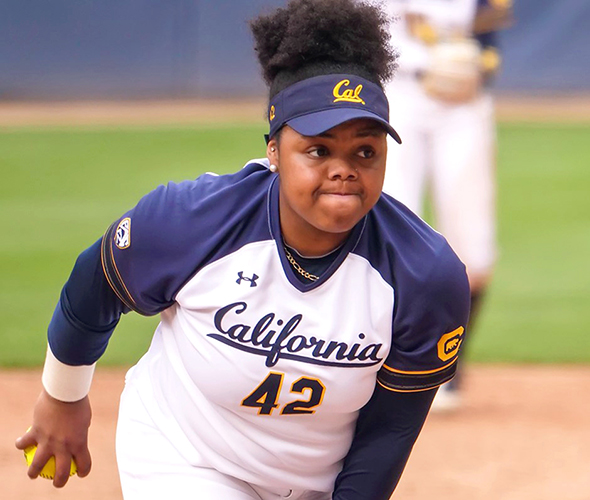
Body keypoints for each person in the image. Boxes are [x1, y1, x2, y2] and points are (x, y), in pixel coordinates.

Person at [14, 1, 470, 499]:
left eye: (365, 151)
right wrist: (63, 398)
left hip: (314, 482)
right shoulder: (191, 221)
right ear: (274, 150)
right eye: (318, 149)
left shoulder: (425, 275)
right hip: (184, 455)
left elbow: (390, 429)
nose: (344, 168)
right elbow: (93, 285)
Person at [381, 0, 512, 411]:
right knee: (390, 232)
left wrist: (484, 63)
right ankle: (387, 364)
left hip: (462, 101)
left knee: (473, 247)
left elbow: (489, 26)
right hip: (393, 91)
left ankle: (447, 368)